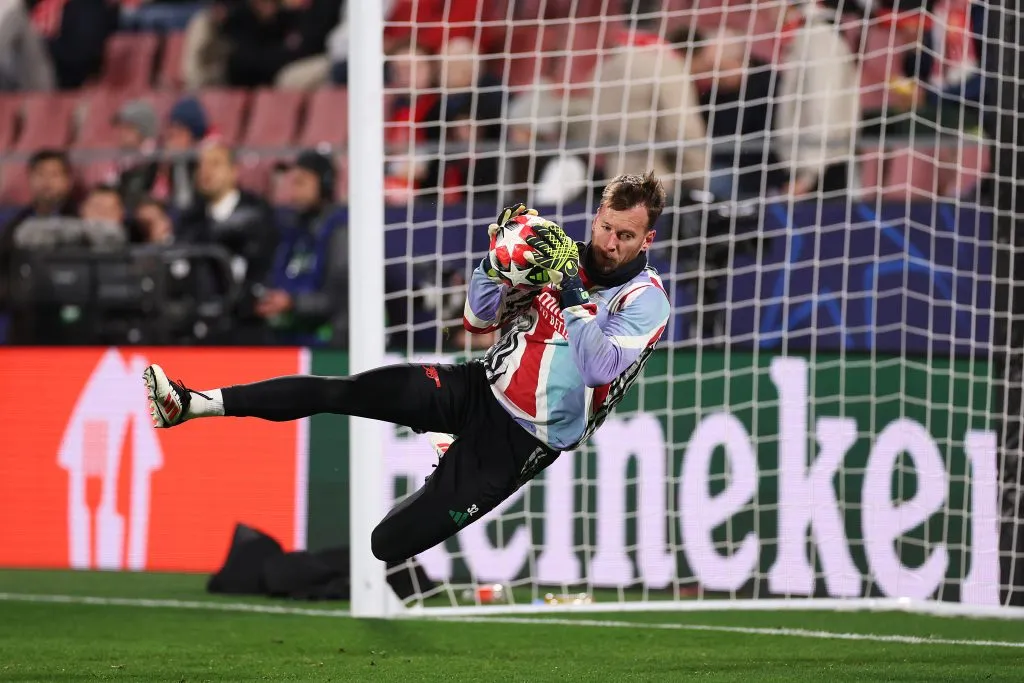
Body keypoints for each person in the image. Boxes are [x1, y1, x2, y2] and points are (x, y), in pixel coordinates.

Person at [143, 172, 671, 564]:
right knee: (344, 391)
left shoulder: (646, 300)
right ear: (596, 216)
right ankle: (190, 404)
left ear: (646, 239)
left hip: (521, 440)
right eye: (605, 226)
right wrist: (496, 262)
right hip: (478, 386)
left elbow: (599, 367)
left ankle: (449, 458)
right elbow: (475, 318)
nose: (609, 242)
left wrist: (573, 295)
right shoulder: (557, 254)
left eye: (625, 236)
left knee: (386, 544)